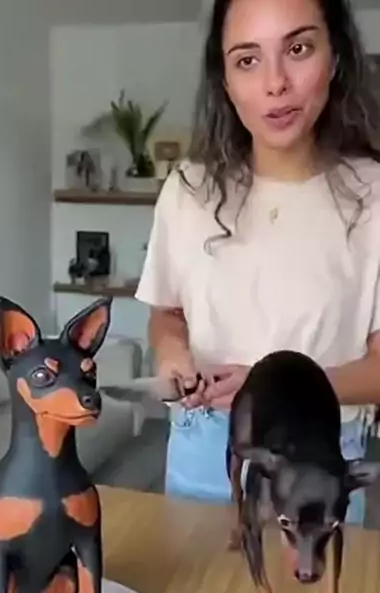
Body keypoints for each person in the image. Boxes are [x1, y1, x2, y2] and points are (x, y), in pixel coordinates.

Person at [135, 0, 380, 525]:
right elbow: (166, 313)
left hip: (322, 459)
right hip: (202, 453)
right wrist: (172, 352)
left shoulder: (375, 195)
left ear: (335, 58)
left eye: (298, 49)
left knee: (318, 582)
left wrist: (273, 386)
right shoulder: (187, 190)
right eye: (247, 60)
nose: (275, 83)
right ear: (225, 81)